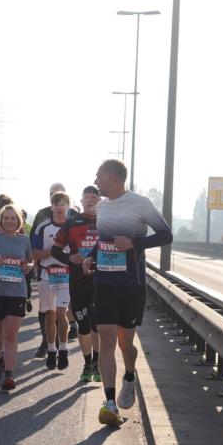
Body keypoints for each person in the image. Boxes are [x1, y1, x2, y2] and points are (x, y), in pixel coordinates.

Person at [82, 160, 172, 426]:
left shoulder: (141, 203)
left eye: (98, 177)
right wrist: (90, 257)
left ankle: (130, 374)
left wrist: (135, 242)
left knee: (125, 344)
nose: (96, 182)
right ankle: (109, 403)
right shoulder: (102, 206)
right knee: (107, 341)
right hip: (104, 283)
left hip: (131, 285)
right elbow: (104, 241)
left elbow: (166, 235)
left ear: (111, 177)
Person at [52, 185, 102, 383]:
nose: (90, 200)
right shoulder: (72, 223)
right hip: (78, 281)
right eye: (86, 197)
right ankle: (87, 363)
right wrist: (68, 258)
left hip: (101, 282)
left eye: (94, 197)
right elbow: (56, 249)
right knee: (83, 325)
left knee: (98, 325)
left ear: (100, 201)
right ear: (80, 202)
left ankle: (96, 364)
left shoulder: (107, 222)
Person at [0, 204, 32, 389]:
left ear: (18, 221)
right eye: (6, 218)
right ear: (0, 221)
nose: (9, 221)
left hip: (17, 293)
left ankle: (9, 374)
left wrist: (29, 266)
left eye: (13, 218)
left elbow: (30, 260)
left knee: (11, 334)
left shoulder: (24, 240)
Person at [31, 192, 72, 370]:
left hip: (66, 275)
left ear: (68, 206)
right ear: (51, 207)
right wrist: (55, 250)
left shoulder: (73, 227)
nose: (59, 207)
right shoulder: (43, 227)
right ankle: (51, 350)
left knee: (62, 313)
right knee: (50, 314)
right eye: (56, 204)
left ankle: (63, 350)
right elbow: (35, 254)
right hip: (47, 274)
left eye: (63, 204)